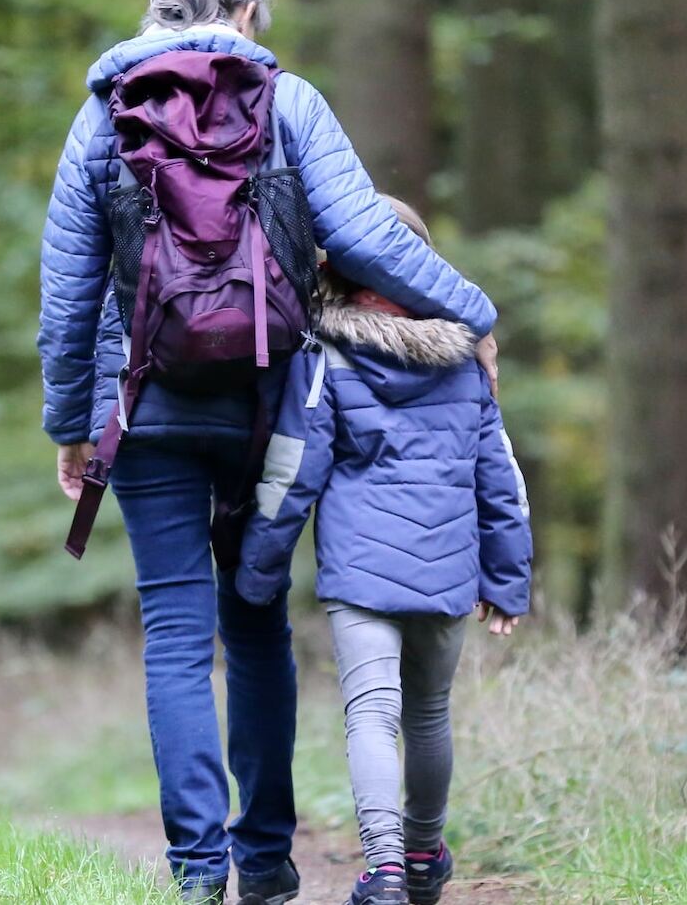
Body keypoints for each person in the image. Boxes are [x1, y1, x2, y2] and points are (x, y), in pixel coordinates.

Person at [37, 0, 501, 904]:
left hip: (147, 403)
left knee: (174, 631)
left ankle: (199, 871)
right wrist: (474, 312)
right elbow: (368, 235)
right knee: (255, 626)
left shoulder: (101, 117)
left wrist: (71, 426)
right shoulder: (290, 102)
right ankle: (265, 860)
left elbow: (68, 292)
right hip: (270, 406)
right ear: (247, 13)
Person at [235, 199, 533, 905]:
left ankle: (386, 870)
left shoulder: (325, 355)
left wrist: (259, 567)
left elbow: (292, 469)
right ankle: (426, 852)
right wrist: (508, 576)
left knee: (371, 712)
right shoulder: (466, 361)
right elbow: (502, 477)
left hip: (362, 574)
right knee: (429, 712)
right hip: (450, 570)